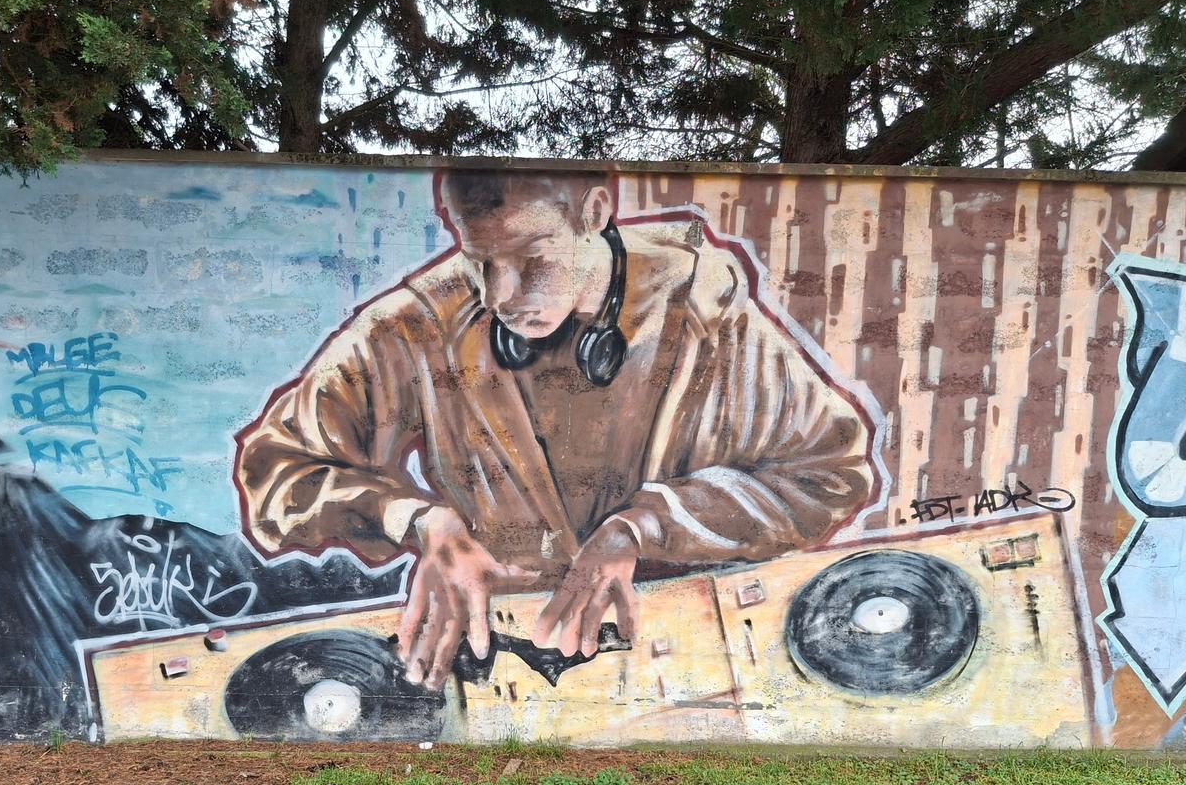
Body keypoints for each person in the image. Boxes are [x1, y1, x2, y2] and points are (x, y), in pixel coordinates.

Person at [235, 168, 875, 690]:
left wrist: (647, 527)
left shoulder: (707, 312)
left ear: (594, 213)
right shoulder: (416, 326)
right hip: (492, 670)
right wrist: (420, 521)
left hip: (685, 668)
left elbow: (829, 473)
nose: (500, 294)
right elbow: (279, 467)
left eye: (532, 259)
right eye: (480, 261)